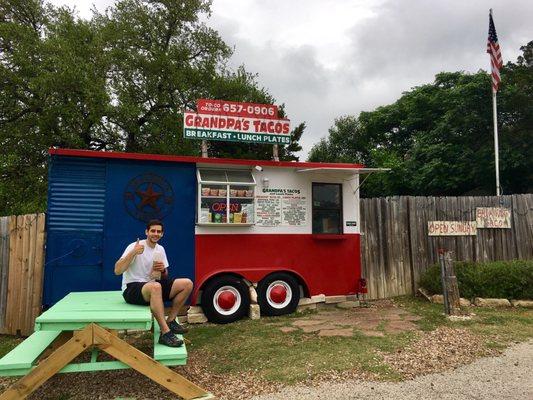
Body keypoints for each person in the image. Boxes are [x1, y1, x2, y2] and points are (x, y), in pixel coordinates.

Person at [115, 219, 193, 347]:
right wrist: (133, 253)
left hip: (152, 285)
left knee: (187, 283)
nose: (155, 234)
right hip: (132, 288)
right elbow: (117, 270)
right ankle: (165, 333)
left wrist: (163, 270)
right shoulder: (134, 246)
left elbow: (164, 275)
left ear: (162, 234)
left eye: (159, 232)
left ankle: (171, 321)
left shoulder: (160, 249)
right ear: (147, 232)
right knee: (156, 286)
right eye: (153, 231)